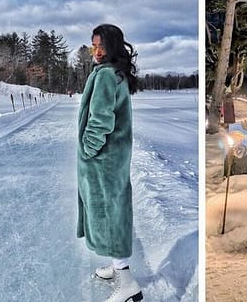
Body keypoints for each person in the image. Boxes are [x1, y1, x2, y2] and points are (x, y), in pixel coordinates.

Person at [77, 24, 143, 302]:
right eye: (94, 45)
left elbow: (101, 120)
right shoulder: (115, 73)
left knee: (108, 212)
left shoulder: (105, 76)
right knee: (111, 209)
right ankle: (117, 267)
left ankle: (126, 280)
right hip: (112, 157)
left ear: (113, 46)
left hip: (103, 159)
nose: (96, 51)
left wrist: (88, 150)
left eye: (101, 45)